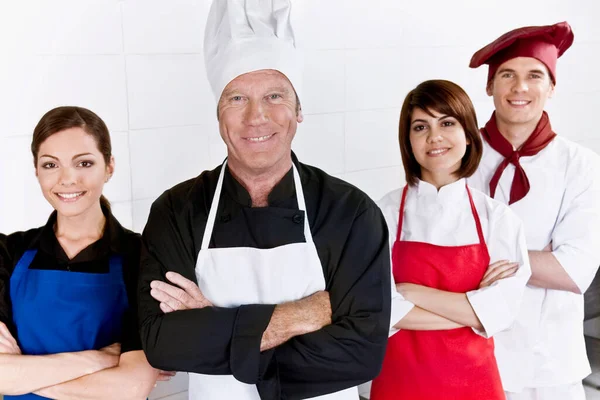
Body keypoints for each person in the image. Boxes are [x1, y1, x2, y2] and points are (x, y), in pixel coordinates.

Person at [136, 1, 391, 399]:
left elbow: (362, 352)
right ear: (218, 114)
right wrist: (301, 315)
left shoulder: (351, 211)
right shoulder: (177, 210)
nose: (256, 117)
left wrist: (215, 328)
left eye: (275, 96)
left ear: (298, 111)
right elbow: (162, 341)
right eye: (237, 98)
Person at [369, 80, 531, 400]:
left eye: (447, 122)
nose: (434, 137)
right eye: (420, 127)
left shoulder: (498, 220)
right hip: (401, 384)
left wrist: (409, 292)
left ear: (468, 135)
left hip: (476, 385)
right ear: (408, 142)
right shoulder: (382, 214)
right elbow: (376, 311)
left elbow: (501, 312)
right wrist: (473, 309)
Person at [468, 22, 600, 400]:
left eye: (534, 75)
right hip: (469, 348)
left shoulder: (581, 165)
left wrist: (478, 261)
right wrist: (529, 263)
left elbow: (574, 270)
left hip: (549, 362)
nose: (520, 87)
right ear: (490, 86)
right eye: (507, 75)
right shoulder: (457, 153)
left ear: (552, 87)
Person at [0, 106, 169, 399]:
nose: (67, 180)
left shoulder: (142, 256)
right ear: (36, 171)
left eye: (84, 163)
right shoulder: (7, 253)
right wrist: (101, 359)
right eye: (51, 165)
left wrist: (21, 375)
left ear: (109, 167)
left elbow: (130, 388)